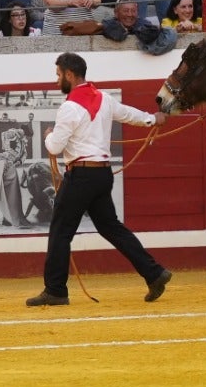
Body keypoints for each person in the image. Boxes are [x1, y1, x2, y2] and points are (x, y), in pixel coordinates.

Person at [24, 52, 171, 306]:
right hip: (102, 174)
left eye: (59, 75)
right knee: (111, 227)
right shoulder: (103, 98)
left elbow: (55, 148)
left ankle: (56, 290)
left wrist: (48, 135)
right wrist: (153, 119)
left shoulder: (69, 107)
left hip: (80, 175)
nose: (57, 80)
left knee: (60, 231)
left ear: (70, 75)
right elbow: (129, 114)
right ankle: (154, 273)